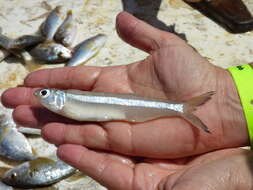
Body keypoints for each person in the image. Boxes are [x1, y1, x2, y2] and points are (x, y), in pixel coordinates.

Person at [1, 12, 252, 189]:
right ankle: (183, 109)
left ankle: (181, 109)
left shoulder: (65, 101)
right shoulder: (64, 102)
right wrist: (233, 95)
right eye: (43, 94)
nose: (40, 96)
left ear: (55, 97)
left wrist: (230, 95)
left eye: (44, 94)